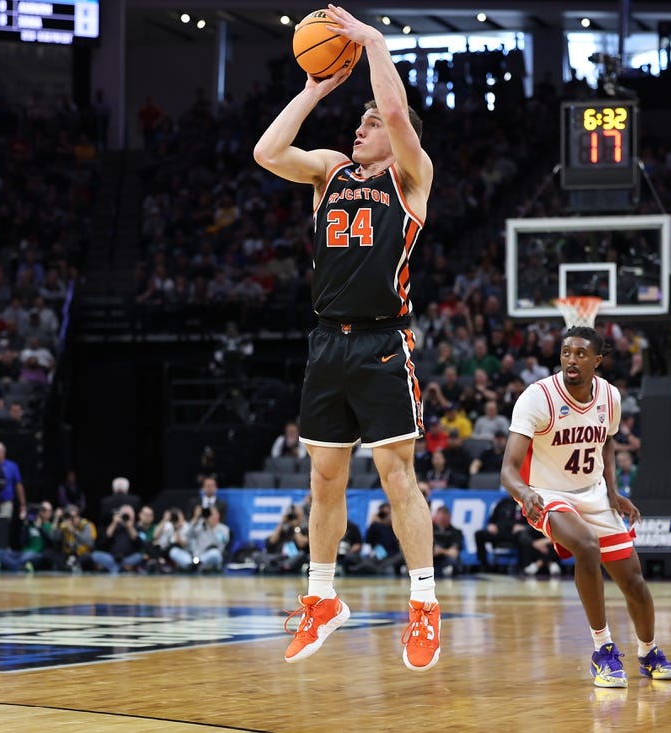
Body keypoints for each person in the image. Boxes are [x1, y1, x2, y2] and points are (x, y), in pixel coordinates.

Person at [254, 4, 439, 671]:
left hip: (385, 342)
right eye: (356, 120)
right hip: (327, 342)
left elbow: (394, 115)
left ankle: (423, 603)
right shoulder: (329, 172)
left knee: (396, 474)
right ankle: (322, 598)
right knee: (324, 478)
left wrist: (375, 44)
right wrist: (311, 91)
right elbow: (267, 152)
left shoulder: (409, 176)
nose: (361, 125)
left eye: (370, 121)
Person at [500, 326, 671, 688]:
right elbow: (507, 470)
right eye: (566, 352)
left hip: (594, 492)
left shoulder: (609, 397)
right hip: (547, 493)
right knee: (585, 545)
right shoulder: (538, 398)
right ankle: (603, 650)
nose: (571, 359)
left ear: (597, 360)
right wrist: (524, 492)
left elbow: (607, 443)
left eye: (581, 354)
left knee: (633, 580)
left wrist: (612, 492)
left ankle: (649, 652)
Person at [431, 505, 464, 577]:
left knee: (454, 562)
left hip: (445, 560)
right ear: (436, 517)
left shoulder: (456, 532)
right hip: (431, 560)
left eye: (444, 517)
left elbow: (454, 553)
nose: (442, 519)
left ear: (449, 517)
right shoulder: (429, 529)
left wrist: (440, 550)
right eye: (440, 517)